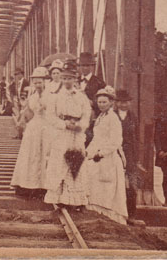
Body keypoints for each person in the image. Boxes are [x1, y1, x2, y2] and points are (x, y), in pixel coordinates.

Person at [44, 64, 93, 210]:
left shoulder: (81, 97)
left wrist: (81, 125)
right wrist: (63, 124)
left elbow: (87, 114)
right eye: (64, 78)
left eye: (70, 78)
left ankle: (75, 199)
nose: (67, 81)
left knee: (76, 161)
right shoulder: (55, 97)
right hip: (62, 133)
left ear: (75, 79)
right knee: (60, 162)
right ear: (61, 79)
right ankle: (59, 198)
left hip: (76, 133)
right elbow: (50, 116)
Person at [84, 87, 129, 223]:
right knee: (94, 182)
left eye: (104, 102)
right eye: (99, 102)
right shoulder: (101, 117)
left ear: (111, 103)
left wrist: (101, 153)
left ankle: (110, 217)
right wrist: (88, 152)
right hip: (97, 154)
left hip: (107, 157)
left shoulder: (113, 118)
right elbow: (96, 138)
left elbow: (116, 141)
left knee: (106, 186)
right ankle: (96, 214)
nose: (101, 105)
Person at [11, 67, 50, 197]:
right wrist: (22, 120)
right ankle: (28, 184)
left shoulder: (50, 96)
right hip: (34, 127)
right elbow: (29, 112)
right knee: (30, 155)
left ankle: (43, 186)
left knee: (43, 154)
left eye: (40, 82)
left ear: (45, 82)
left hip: (46, 126)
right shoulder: (32, 96)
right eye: (36, 82)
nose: (38, 85)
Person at [114, 90, 140, 221]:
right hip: (115, 152)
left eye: (126, 102)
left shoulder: (133, 117)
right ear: (116, 103)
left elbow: (137, 138)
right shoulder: (112, 115)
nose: (123, 105)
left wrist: (136, 158)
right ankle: (115, 212)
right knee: (115, 183)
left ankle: (131, 214)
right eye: (120, 102)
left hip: (130, 155)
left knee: (132, 185)